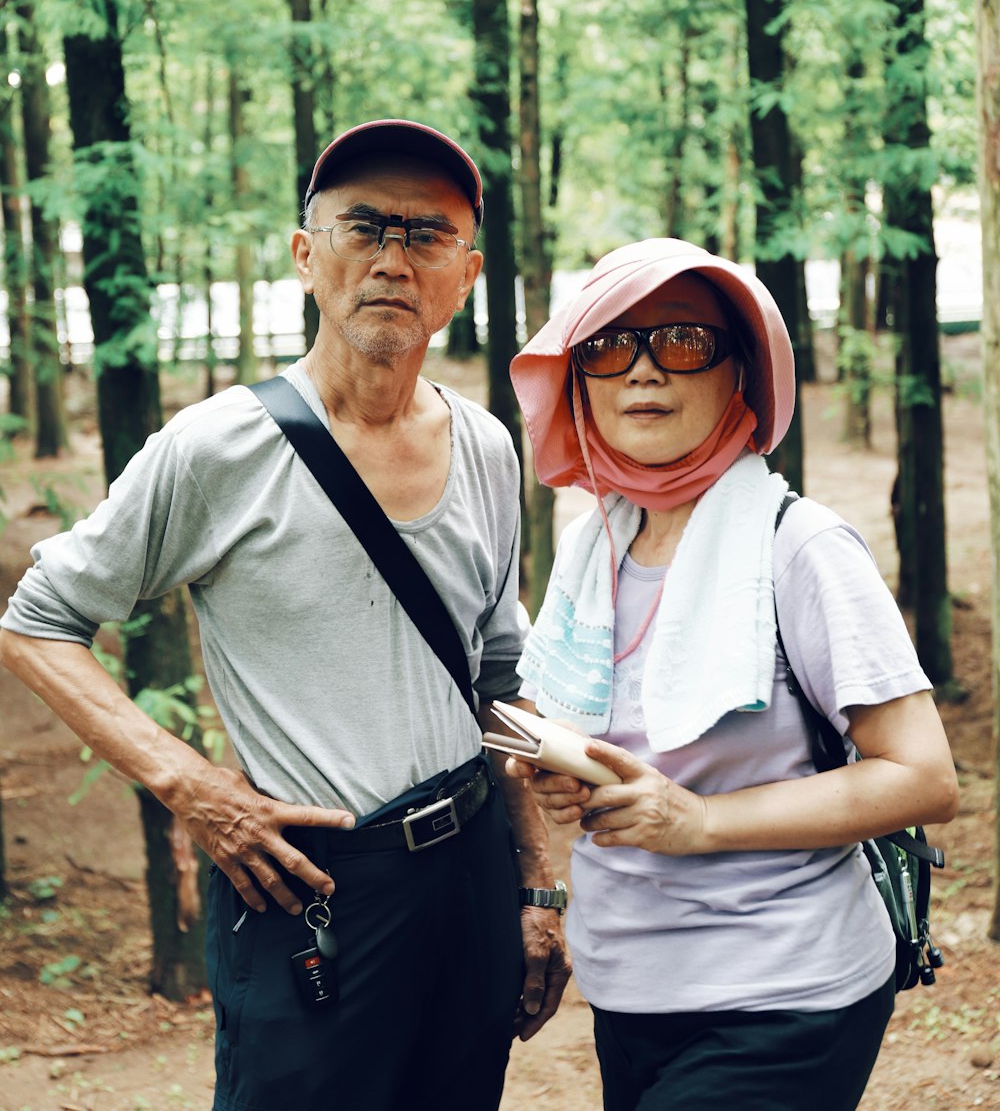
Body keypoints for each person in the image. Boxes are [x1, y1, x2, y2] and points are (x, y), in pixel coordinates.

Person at [0, 118, 570, 1111]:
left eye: (424, 234)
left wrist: (539, 887)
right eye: (365, 226)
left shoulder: (485, 445)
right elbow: (36, 622)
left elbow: (497, 680)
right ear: (309, 256)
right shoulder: (217, 447)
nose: (393, 258)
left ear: (465, 274)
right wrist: (189, 785)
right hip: (311, 886)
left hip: (469, 874)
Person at [505, 237, 959, 1111]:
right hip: (631, 985)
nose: (641, 372)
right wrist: (570, 777)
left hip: (784, 993)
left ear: (741, 372)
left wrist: (699, 819)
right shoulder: (590, 544)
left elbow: (926, 777)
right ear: (579, 382)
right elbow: (580, 718)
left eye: (681, 342)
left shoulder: (801, 548)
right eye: (606, 347)